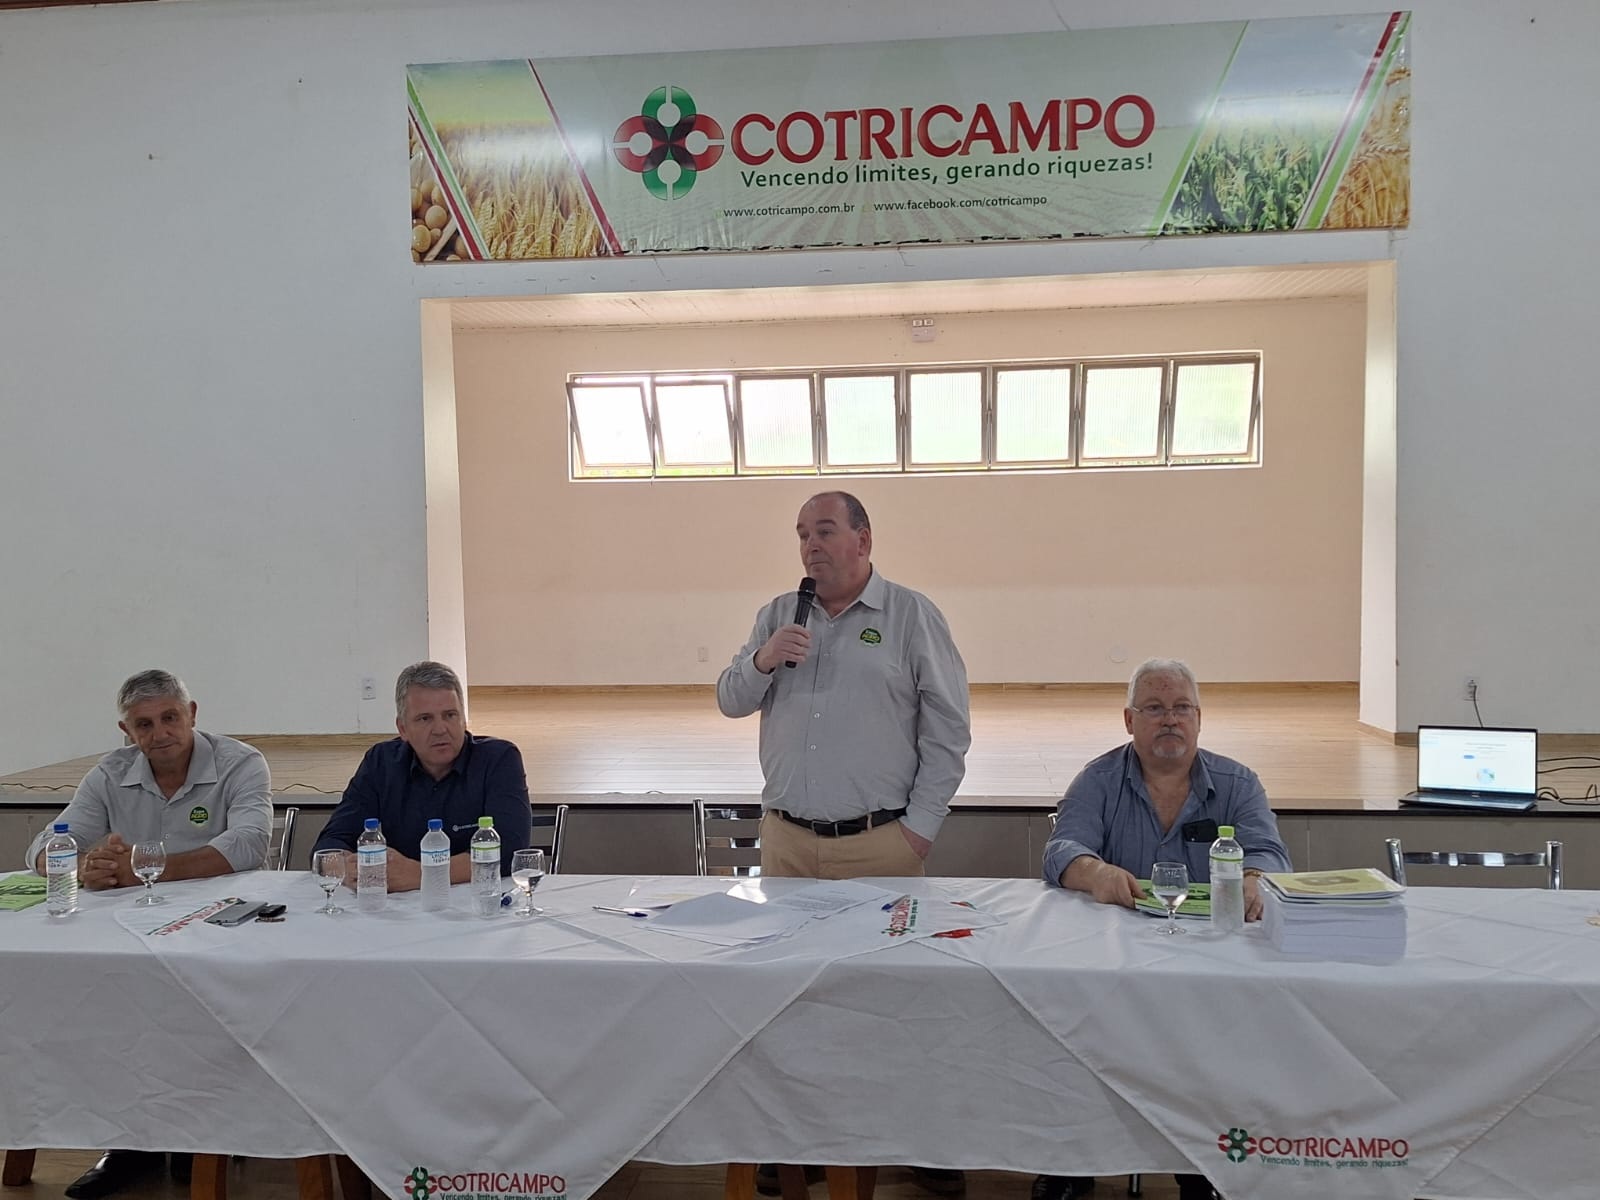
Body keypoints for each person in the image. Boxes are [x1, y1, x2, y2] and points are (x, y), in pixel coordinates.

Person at [718, 491, 971, 1196]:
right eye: (802, 533)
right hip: (788, 845)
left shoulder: (912, 616)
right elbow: (729, 698)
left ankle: (912, 1140)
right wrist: (763, 659)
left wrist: (919, 828)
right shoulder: (778, 615)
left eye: (825, 531)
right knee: (791, 1003)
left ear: (863, 539)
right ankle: (795, 1143)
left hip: (879, 846)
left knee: (893, 1002)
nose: (810, 545)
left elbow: (948, 731)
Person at [1032, 658, 1293, 1200]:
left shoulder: (1238, 782)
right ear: (1129, 720)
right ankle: (1072, 1161)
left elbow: (1270, 853)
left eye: (1181, 708)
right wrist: (1094, 872)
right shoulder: (1098, 779)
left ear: (1199, 717)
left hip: (1209, 959)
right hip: (1114, 959)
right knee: (1066, 1020)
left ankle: (1201, 1168)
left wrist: (1254, 879)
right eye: (1154, 708)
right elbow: (1061, 850)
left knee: (1220, 1042)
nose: (1169, 719)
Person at [25, 669, 273, 1199]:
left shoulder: (240, 762)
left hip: (223, 927)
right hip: (130, 931)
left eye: (170, 718)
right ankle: (130, 1142)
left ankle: (209, 1133)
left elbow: (249, 845)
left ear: (192, 714)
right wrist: (80, 867)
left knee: (203, 1003)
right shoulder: (109, 774)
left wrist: (142, 868)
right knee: (104, 1000)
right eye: (144, 724)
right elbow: (44, 847)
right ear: (126, 731)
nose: (160, 733)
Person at [311, 661, 530, 887]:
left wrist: (422, 874)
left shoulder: (498, 759)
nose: (440, 729)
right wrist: (349, 869)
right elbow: (328, 846)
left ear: (464, 719)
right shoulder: (381, 762)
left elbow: (511, 850)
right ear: (402, 728)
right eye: (425, 718)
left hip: (477, 900)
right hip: (396, 903)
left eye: (450, 715)